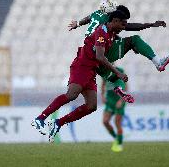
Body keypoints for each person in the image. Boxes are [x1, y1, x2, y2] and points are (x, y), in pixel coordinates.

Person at [32, 10, 130, 142]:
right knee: (72, 95)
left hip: (91, 70)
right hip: (82, 66)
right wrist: (117, 72)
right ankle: (40, 118)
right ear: (115, 21)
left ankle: (58, 123)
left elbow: (131, 26)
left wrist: (150, 25)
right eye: (123, 24)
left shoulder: (111, 32)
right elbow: (99, 57)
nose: (124, 27)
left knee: (91, 106)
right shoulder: (102, 31)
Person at [68, 0, 169, 101]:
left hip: (88, 55)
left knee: (112, 74)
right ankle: (158, 63)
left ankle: (118, 88)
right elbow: (130, 27)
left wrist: (77, 24)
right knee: (135, 40)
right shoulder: (109, 19)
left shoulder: (97, 13)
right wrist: (151, 24)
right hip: (100, 51)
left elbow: (87, 19)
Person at [101, 66, 127, 152]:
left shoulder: (120, 70)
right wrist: (102, 95)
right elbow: (103, 84)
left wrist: (121, 99)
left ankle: (119, 144)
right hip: (110, 98)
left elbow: (125, 86)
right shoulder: (104, 71)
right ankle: (116, 138)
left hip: (119, 97)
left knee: (117, 123)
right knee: (105, 121)